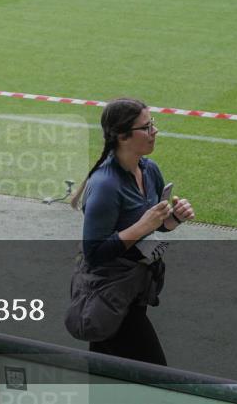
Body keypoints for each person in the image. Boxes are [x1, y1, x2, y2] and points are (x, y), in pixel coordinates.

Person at [71, 97, 195, 365]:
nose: (155, 131)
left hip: (132, 290)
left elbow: (156, 226)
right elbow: (95, 253)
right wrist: (144, 225)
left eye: (153, 124)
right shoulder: (106, 185)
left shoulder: (149, 170)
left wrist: (173, 219)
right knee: (156, 374)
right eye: (147, 126)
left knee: (107, 370)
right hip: (108, 292)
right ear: (123, 136)